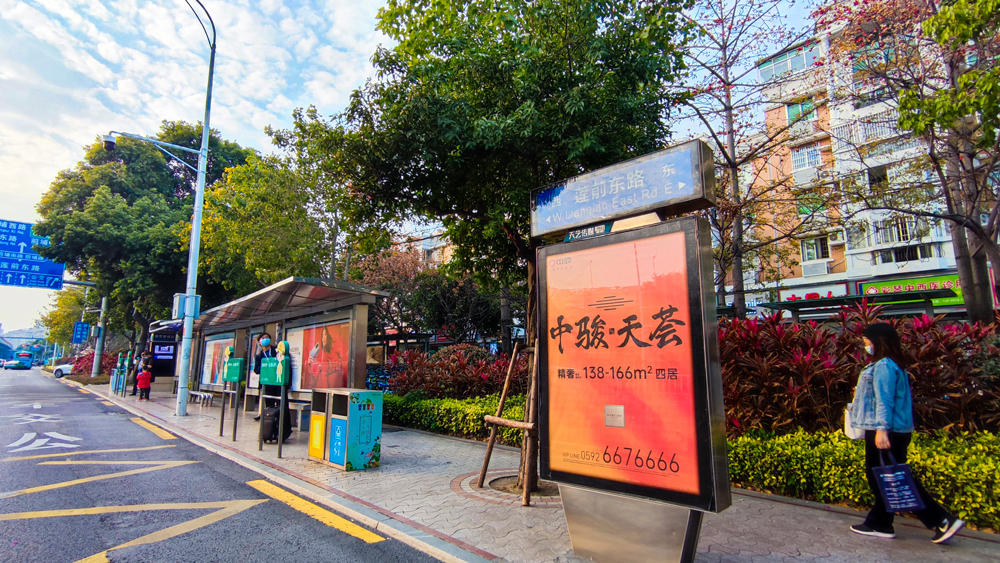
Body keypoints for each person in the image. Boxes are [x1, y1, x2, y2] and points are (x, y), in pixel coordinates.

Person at [848, 322, 964, 544]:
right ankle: (880, 523)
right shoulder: (891, 364)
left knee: (894, 479)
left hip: (886, 430)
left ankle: (942, 520)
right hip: (893, 429)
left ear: (879, 341)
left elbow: (885, 400)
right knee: (885, 477)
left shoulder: (884, 366)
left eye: (867, 341)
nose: (865, 345)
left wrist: (881, 430)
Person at [252, 332, 291, 432]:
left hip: (279, 384)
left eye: (266, 338)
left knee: (282, 406)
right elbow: (256, 370)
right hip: (267, 385)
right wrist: (266, 367)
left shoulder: (277, 351)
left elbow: (286, 364)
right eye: (262, 338)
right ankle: (271, 429)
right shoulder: (259, 356)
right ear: (259, 342)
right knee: (269, 407)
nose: (265, 339)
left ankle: (284, 430)